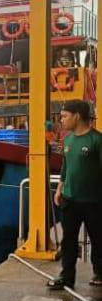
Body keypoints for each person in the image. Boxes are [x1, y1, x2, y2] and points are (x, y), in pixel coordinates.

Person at [47, 100, 102, 289]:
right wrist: (60, 189)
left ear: (77, 116)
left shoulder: (97, 140)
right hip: (70, 200)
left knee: (98, 238)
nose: (61, 120)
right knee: (68, 239)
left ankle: (100, 273)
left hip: (94, 201)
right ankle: (66, 277)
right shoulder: (68, 140)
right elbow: (65, 167)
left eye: (64, 116)